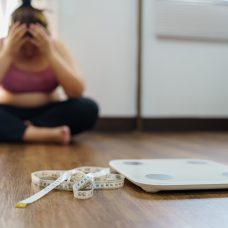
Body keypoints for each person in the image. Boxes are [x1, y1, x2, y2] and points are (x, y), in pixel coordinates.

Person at [0, 0, 99, 144]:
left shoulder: (55, 46)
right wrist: (8, 52)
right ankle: (37, 134)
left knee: (88, 108)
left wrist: (49, 53)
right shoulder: (3, 46)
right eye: (23, 47)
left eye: (34, 47)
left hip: (48, 114)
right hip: (9, 111)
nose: (29, 52)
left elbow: (76, 92)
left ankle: (21, 130)